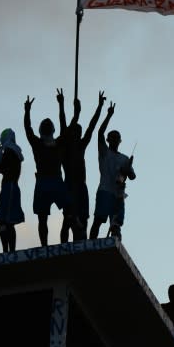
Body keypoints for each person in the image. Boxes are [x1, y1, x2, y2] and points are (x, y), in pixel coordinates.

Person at [58, 91, 105, 242]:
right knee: (67, 219)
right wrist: (61, 104)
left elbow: (92, 126)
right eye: (76, 131)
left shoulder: (81, 145)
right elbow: (63, 123)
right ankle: (64, 246)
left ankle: (81, 242)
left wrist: (99, 107)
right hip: (70, 185)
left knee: (83, 219)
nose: (79, 133)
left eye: (79, 131)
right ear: (72, 133)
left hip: (81, 186)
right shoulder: (65, 147)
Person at [24, 92, 69, 246]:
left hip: (47, 183)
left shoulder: (39, 144)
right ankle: (50, 244)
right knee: (66, 213)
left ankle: (46, 245)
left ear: (41, 131)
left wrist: (27, 111)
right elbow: (64, 127)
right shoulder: (53, 143)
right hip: (52, 182)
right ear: (51, 130)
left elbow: (28, 129)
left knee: (44, 218)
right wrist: (61, 104)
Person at [88, 103, 136, 240]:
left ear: (120, 141)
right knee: (98, 221)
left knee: (116, 226)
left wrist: (127, 170)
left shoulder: (125, 158)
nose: (114, 140)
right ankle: (91, 244)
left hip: (118, 195)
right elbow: (99, 132)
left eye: (116, 138)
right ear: (108, 140)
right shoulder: (104, 152)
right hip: (105, 191)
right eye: (112, 137)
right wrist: (109, 115)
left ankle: (116, 245)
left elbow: (133, 176)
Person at [0, 128, 25, 253]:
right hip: (9, 187)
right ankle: (9, 250)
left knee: (3, 220)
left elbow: (1, 168)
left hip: (9, 187)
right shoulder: (12, 151)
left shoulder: (10, 152)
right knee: (6, 222)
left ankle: (8, 251)